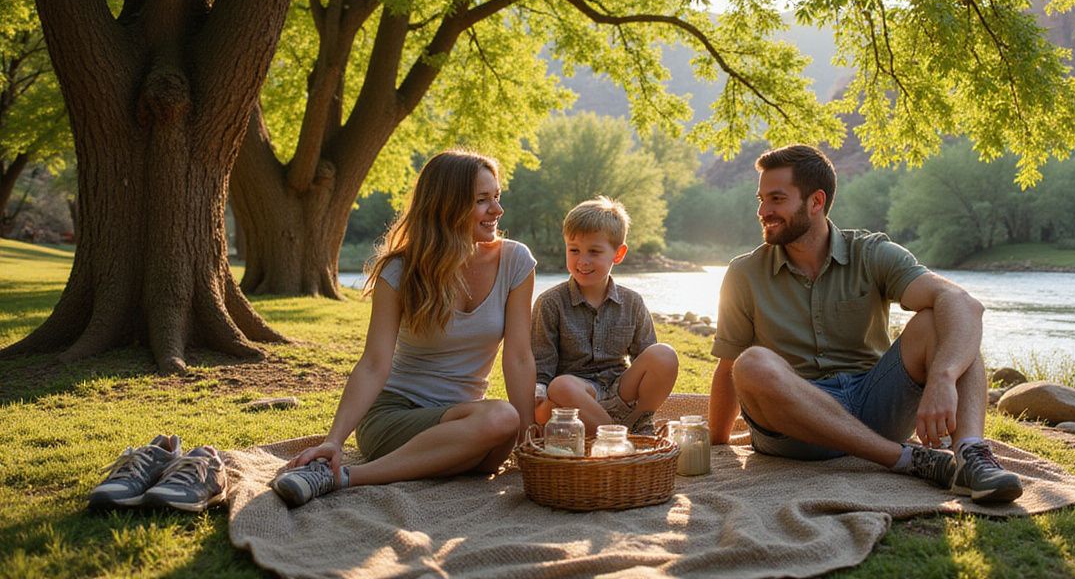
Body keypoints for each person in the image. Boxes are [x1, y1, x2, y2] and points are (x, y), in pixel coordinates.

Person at [707, 145, 1023, 503]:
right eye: (761, 199)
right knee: (751, 363)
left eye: (776, 199)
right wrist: (715, 442)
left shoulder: (871, 253)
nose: (764, 211)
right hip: (797, 428)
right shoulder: (744, 273)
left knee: (946, 319)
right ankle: (906, 460)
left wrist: (942, 377)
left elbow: (964, 304)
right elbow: (730, 366)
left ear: (816, 202)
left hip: (876, 406)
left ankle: (971, 457)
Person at [270, 150, 536, 507]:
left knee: (506, 430)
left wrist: (530, 435)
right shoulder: (400, 270)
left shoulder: (516, 261)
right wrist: (334, 440)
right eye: (482, 201)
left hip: (466, 421)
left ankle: (421, 462)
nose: (497, 211)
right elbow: (374, 364)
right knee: (502, 417)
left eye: (497, 197)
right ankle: (340, 476)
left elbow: (518, 357)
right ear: (447, 206)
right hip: (394, 414)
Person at [532, 197, 678, 435]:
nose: (582, 261)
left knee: (664, 355)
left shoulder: (632, 302)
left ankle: (637, 421)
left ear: (618, 254)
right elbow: (542, 368)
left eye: (594, 251)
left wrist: (640, 395)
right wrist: (538, 404)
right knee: (561, 386)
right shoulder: (550, 303)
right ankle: (623, 437)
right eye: (574, 250)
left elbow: (646, 357)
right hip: (572, 400)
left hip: (619, 393)